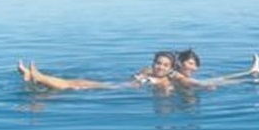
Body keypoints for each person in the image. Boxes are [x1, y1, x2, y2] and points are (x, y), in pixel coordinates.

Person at [17, 51, 178, 91]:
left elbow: (166, 93)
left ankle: (38, 77)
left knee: (75, 84)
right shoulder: (148, 71)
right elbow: (140, 73)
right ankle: (35, 77)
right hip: (116, 84)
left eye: (165, 65)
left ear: (171, 68)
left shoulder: (165, 82)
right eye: (158, 63)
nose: (160, 67)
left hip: (117, 89)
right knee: (74, 83)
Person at [171, 49, 259, 88]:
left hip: (199, 84)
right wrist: (205, 86)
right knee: (243, 81)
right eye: (190, 64)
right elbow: (195, 84)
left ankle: (252, 70)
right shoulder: (176, 74)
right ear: (180, 63)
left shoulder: (177, 74)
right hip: (200, 84)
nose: (194, 68)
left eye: (195, 65)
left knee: (223, 78)